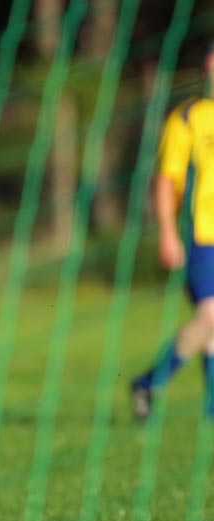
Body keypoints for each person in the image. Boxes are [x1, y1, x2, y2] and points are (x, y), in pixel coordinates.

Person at [132, 41, 214, 421]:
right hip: (201, 237)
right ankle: (148, 382)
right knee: (212, 316)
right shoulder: (188, 118)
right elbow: (166, 179)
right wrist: (167, 231)